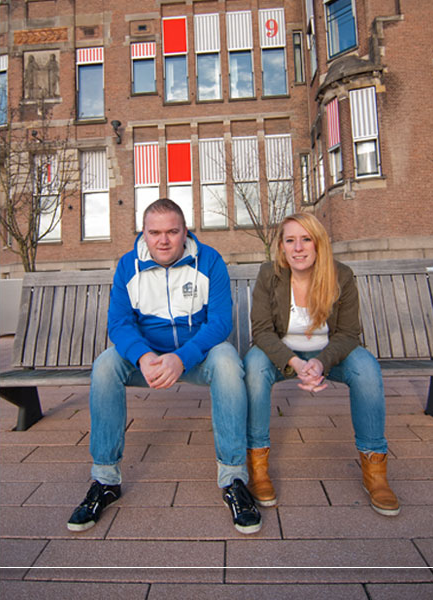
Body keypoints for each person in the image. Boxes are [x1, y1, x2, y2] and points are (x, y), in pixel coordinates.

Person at [67, 198, 261, 535]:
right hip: (148, 360)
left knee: (229, 362)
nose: (164, 240)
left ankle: (233, 478)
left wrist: (181, 358)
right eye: (155, 232)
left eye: (172, 231)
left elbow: (218, 323)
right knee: (104, 365)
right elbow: (119, 324)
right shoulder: (129, 266)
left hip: (196, 357)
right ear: (144, 232)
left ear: (185, 231)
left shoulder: (210, 261)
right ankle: (105, 479)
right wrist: (144, 356)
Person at [243, 213, 399, 516]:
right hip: (281, 354)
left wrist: (319, 362)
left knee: (367, 368)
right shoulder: (269, 274)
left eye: (306, 239)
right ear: (282, 247)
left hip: (329, 354)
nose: (298, 248)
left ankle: (375, 470)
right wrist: (294, 363)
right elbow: (261, 330)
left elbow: (349, 334)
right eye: (290, 240)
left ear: (319, 244)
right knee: (253, 367)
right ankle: (258, 469)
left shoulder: (341, 275)